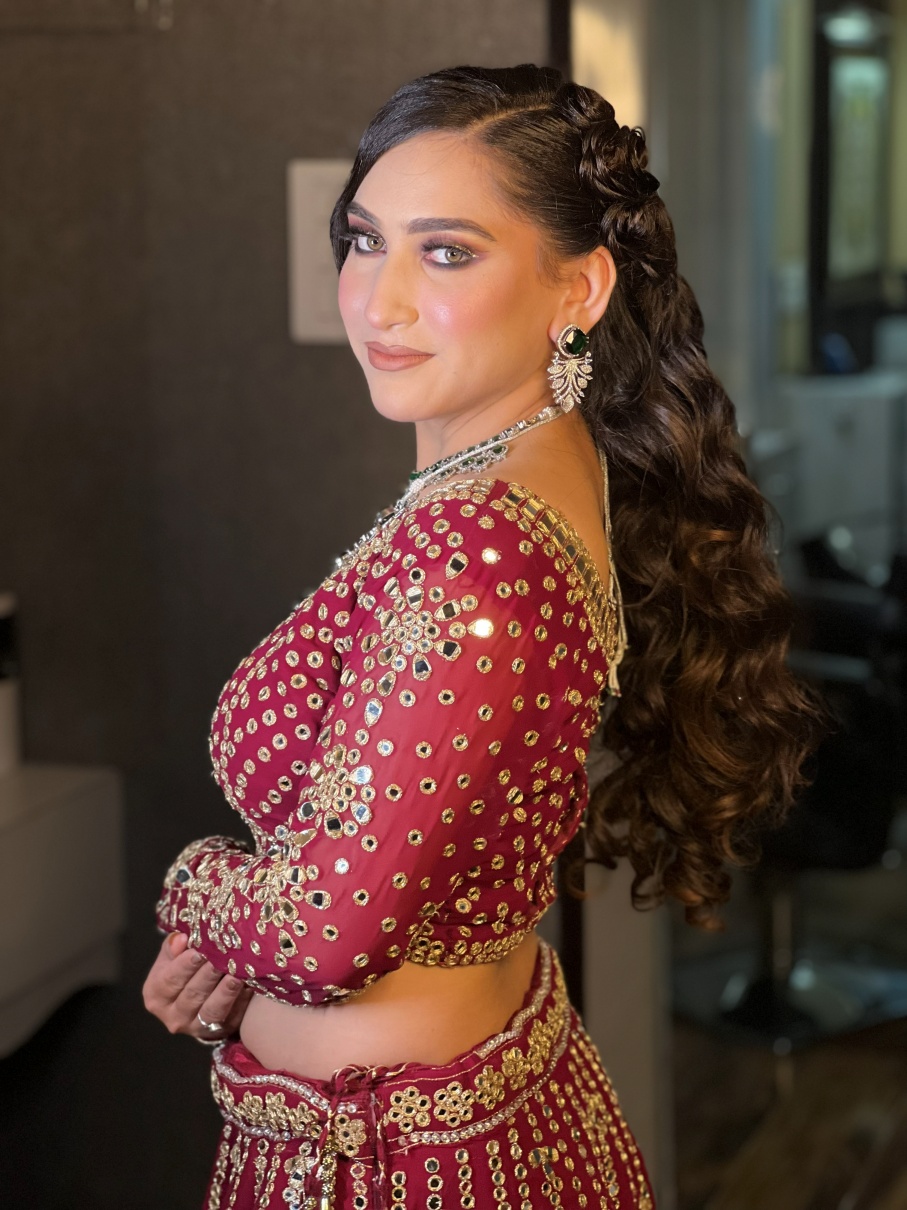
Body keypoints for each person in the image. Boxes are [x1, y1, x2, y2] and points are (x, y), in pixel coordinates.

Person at [143, 63, 823, 1209]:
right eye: (365, 241)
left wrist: (198, 890)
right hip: (426, 1119)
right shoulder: (520, 471)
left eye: (447, 253)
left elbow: (321, 933)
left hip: (394, 1165)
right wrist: (256, 920)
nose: (380, 301)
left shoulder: (477, 551)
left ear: (579, 288)